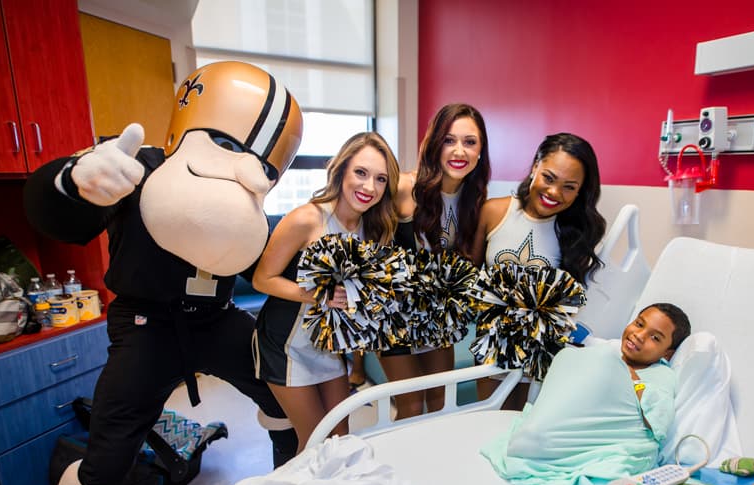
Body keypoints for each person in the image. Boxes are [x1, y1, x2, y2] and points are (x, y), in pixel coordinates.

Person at [23, 61, 303, 485]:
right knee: (106, 458)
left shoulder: (245, 196)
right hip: (146, 323)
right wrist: (73, 181)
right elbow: (56, 214)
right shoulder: (144, 166)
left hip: (215, 320)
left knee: (282, 394)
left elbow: (255, 264)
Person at [252, 132, 400, 454]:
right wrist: (318, 296)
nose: (369, 187)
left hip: (328, 347)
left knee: (340, 437)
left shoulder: (371, 230)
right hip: (286, 346)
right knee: (314, 443)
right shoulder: (307, 218)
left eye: (380, 179)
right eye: (360, 173)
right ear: (342, 170)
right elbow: (263, 280)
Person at [481, 303, 691, 485]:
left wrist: (629, 377)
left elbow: (658, 421)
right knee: (569, 355)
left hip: (618, 443)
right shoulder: (607, 354)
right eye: (639, 324)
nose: (639, 335)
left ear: (667, 354)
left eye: (655, 338)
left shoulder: (661, 374)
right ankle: (538, 438)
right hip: (569, 429)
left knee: (604, 359)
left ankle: (540, 442)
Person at [470, 132, 607, 410]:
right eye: (549, 178)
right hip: (490, 342)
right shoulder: (493, 212)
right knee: (485, 420)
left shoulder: (577, 234)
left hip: (540, 351)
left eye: (569, 186)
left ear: (581, 190)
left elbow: (571, 302)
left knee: (520, 424)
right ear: (535, 167)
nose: (554, 192)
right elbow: (470, 276)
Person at [379, 103, 491, 419]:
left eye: (470, 142)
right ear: (434, 144)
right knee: (411, 408)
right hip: (396, 319)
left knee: (441, 405)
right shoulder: (404, 187)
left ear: (481, 149)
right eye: (449, 140)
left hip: (438, 319)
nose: (459, 151)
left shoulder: (476, 200)